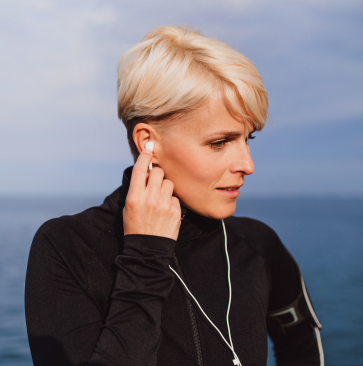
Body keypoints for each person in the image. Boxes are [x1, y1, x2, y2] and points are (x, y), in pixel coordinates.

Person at [25, 25, 323, 366]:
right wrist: (145, 259)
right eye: (219, 142)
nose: (248, 165)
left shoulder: (258, 245)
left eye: (248, 139)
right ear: (147, 142)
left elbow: (301, 340)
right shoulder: (68, 248)